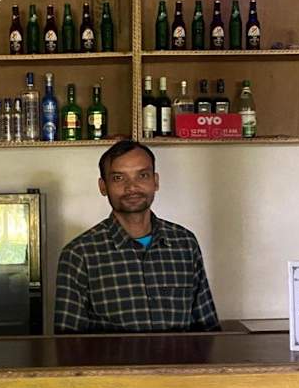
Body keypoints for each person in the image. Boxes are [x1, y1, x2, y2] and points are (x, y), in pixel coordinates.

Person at [54, 140, 219, 333]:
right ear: (103, 186)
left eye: (142, 175)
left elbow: (208, 329)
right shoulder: (79, 254)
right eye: (118, 178)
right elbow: (68, 343)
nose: (132, 187)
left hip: (178, 355)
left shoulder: (185, 244)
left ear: (155, 181)